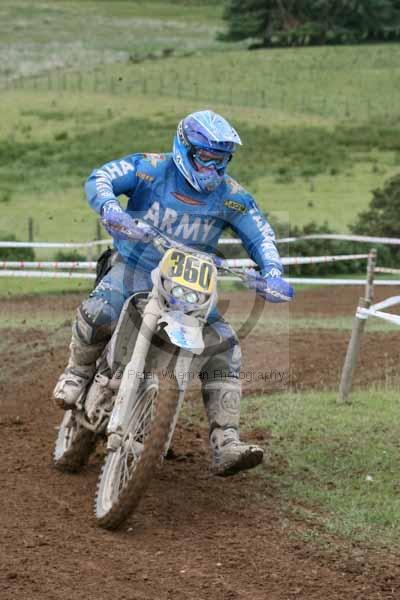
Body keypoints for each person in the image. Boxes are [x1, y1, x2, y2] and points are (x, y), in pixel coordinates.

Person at [53, 109, 293, 476]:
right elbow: (101, 177)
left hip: (190, 285)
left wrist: (272, 272)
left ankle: (225, 440)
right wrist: (112, 210)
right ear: (185, 148)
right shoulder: (149, 169)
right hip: (134, 268)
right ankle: (77, 372)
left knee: (224, 348)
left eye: (221, 160)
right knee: (101, 311)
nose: (212, 168)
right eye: (205, 158)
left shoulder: (232, 197)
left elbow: (261, 235)